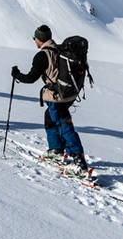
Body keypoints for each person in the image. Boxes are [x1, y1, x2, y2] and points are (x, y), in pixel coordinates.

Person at [11, 25, 88, 172]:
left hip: (57, 96)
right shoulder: (59, 49)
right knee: (50, 118)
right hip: (69, 94)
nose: (34, 41)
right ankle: (56, 149)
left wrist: (17, 75)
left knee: (64, 125)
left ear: (39, 39)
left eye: (35, 38)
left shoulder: (42, 55)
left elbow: (31, 78)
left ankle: (79, 161)